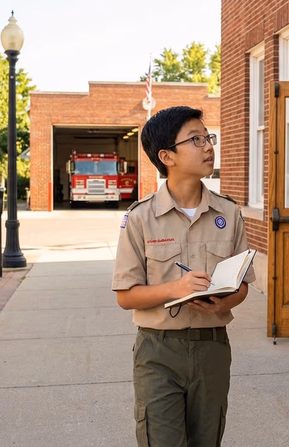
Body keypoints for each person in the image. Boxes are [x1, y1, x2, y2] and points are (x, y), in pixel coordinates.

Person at [112, 106, 255, 447]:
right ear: (167, 156)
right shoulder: (140, 217)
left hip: (212, 348)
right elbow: (125, 296)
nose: (208, 146)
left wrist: (224, 299)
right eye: (196, 139)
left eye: (209, 138)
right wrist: (175, 288)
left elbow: (243, 286)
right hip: (158, 351)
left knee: (208, 441)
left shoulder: (229, 213)